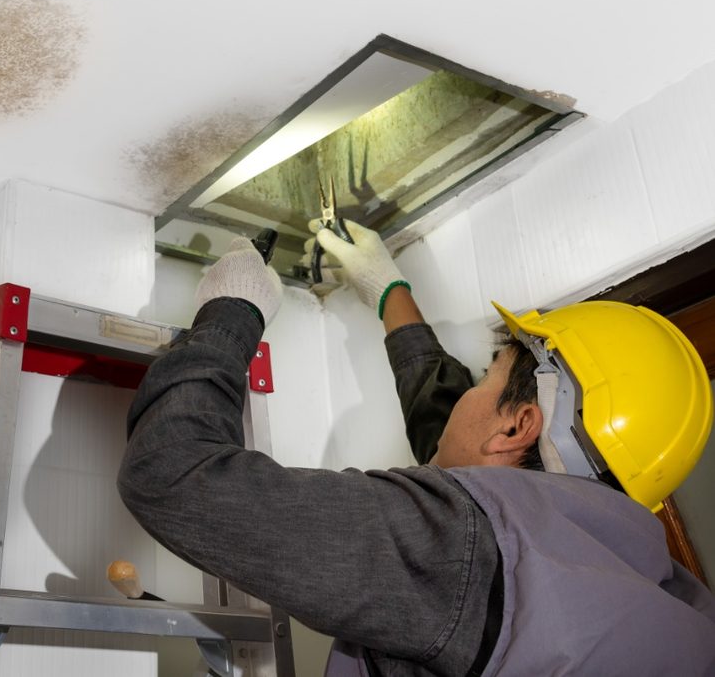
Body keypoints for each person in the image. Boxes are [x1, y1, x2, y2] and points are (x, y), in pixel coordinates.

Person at [117, 221, 715, 676]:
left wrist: (230, 313)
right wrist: (389, 293)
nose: (467, 391)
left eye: (484, 376)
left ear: (519, 428)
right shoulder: (658, 599)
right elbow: (469, 460)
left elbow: (172, 472)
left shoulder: (462, 547)